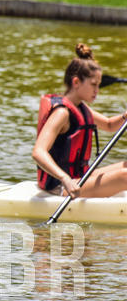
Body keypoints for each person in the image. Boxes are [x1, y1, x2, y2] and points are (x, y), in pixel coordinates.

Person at [33, 42, 127, 198]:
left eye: (99, 85)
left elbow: (110, 125)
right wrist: (65, 179)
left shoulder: (81, 109)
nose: (97, 90)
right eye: (93, 85)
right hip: (61, 186)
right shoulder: (61, 113)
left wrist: (125, 116)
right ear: (76, 82)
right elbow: (38, 152)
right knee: (125, 176)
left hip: (80, 177)